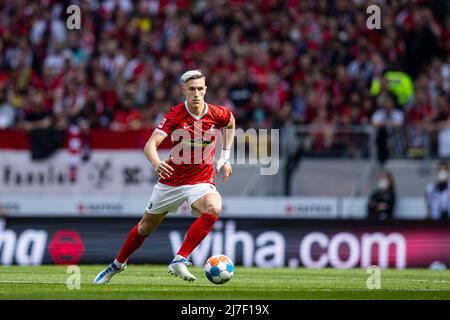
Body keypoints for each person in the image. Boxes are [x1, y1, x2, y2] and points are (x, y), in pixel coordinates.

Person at [93, 70, 235, 284]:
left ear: (205, 89)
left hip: (200, 181)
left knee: (214, 207)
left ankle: (180, 258)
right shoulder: (176, 115)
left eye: (199, 89)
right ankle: (116, 265)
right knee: (145, 227)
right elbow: (150, 145)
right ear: (183, 91)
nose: (196, 93)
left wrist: (225, 157)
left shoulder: (217, 113)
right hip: (172, 181)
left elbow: (231, 122)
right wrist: (157, 163)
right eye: (191, 89)